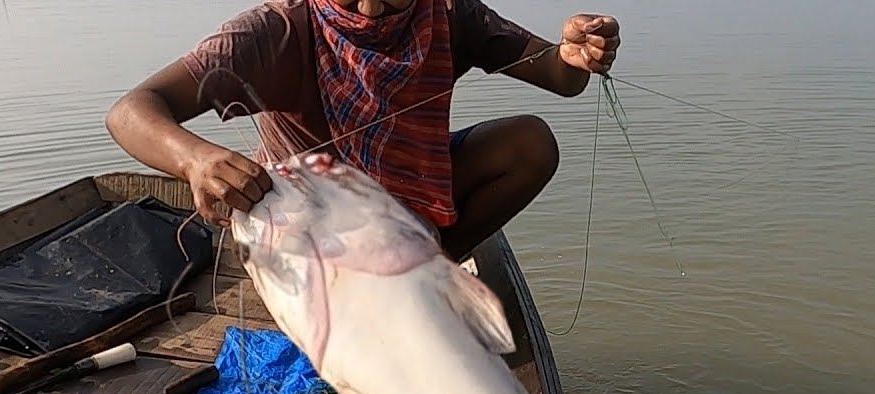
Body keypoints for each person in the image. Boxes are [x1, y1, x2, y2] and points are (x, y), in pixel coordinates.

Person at [105, 0, 620, 261]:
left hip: (413, 201)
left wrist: (577, 55)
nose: (370, 12)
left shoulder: (448, 14)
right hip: (315, 226)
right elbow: (132, 111)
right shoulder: (277, 30)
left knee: (529, 143)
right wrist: (195, 159)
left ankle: (434, 266)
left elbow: (557, 75)